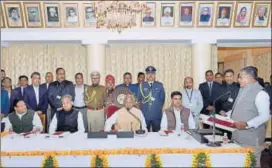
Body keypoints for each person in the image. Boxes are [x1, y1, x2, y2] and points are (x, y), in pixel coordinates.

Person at [231, 66, 270, 167]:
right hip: (238, 136)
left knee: (251, 164)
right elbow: (238, 109)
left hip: (251, 139)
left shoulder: (261, 93)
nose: (238, 80)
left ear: (250, 78)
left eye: (240, 77)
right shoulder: (242, 90)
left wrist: (247, 124)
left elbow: (265, 116)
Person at [138, 66, 165, 132]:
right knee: (144, 135)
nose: (150, 75)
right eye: (148, 73)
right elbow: (138, 99)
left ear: (155, 75)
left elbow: (162, 99)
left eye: (152, 73)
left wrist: (156, 107)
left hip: (156, 115)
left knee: (157, 135)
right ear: (146, 75)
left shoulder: (160, 85)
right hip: (145, 115)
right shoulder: (142, 85)